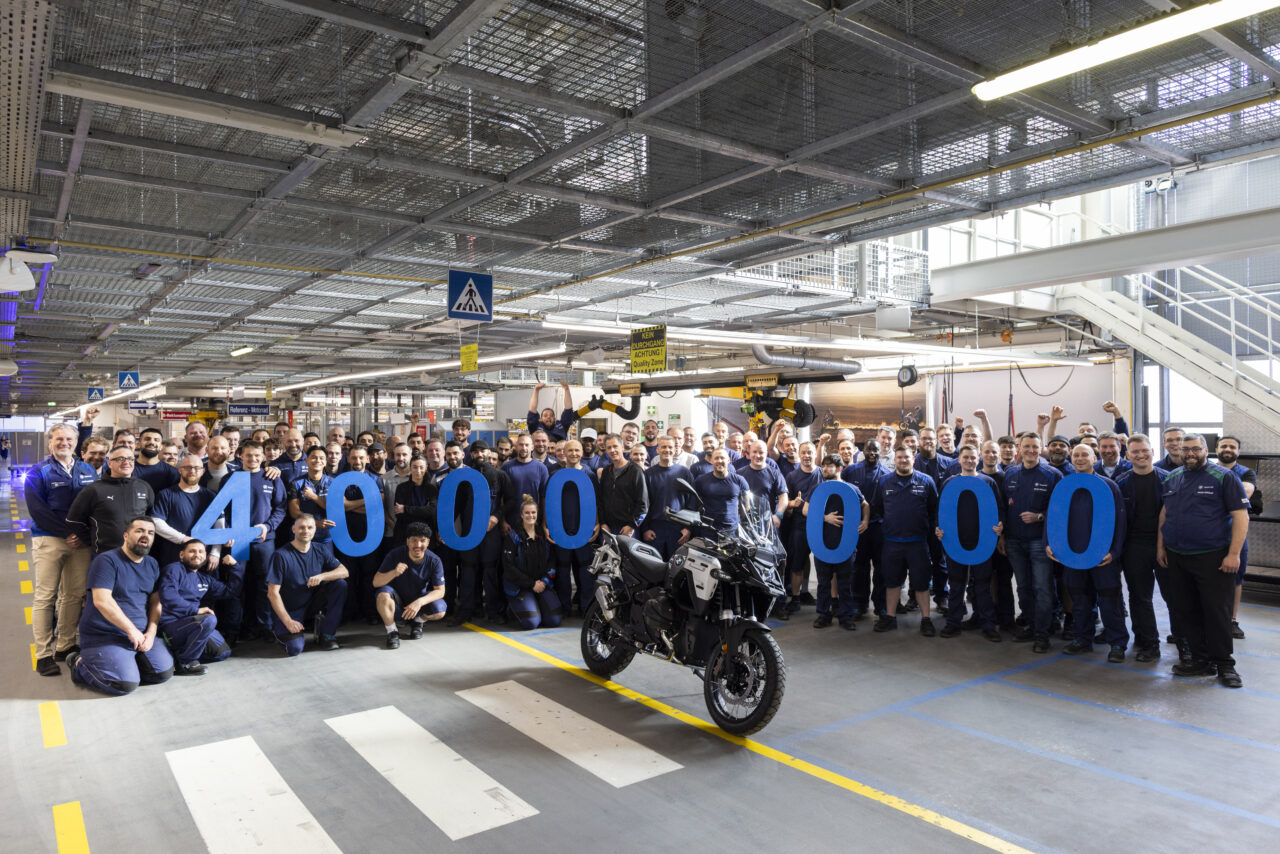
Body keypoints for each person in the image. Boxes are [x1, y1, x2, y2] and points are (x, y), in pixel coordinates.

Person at [1157, 433, 1249, 688]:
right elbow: (1165, 514)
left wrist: (1233, 554)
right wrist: (1160, 547)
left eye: (1195, 449)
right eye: (1185, 449)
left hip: (1213, 557)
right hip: (1177, 556)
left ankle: (1225, 665)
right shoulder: (1173, 478)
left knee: (1216, 612)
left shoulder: (1224, 477)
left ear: (1206, 450)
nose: (1190, 453)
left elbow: (1241, 516)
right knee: (1187, 610)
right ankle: (1200, 660)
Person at [66, 517, 174, 695]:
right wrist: (131, 630)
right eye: (139, 531)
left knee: (162, 673)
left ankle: (126, 664)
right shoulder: (106, 561)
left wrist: (151, 632)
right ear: (126, 535)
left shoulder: (152, 564)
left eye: (151, 533)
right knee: (123, 684)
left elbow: (156, 601)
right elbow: (102, 601)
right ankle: (79, 663)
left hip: (140, 635)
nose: (145, 535)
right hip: (105, 635)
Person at [27, 422, 99, 676]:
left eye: (69, 439)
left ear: (76, 443)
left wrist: (83, 536)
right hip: (49, 540)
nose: (64, 443)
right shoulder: (39, 471)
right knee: (45, 597)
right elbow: (38, 510)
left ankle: (65, 645)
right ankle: (43, 654)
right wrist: (67, 533)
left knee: (74, 595)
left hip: (80, 543)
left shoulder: (87, 469)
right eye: (58, 439)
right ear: (50, 442)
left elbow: (94, 506)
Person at [1048, 444, 1128, 662]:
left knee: (1109, 600)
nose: (1080, 458)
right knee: (1080, 600)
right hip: (1072, 554)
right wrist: (1049, 543)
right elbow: (1053, 517)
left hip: (1103, 557)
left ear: (1095, 458)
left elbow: (1120, 522)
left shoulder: (1109, 486)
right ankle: (1082, 639)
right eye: (1076, 455)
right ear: (1071, 458)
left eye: (1085, 455)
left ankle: (1117, 643)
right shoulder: (1063, 487)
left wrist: (1114, 552)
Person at [934, 444, 1003, 642]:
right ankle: (953, 622)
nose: (969, 461)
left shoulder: (988, 482)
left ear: (978, 459)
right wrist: (938, 528)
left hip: (983, 542)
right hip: (955, 541)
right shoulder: (949, 482)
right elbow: (941, 509)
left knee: (982, 585)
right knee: (956, 585)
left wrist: (1001, 526)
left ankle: (987, 624)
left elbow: (999, 509)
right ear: (959, 459)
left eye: (973, 457)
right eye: (966, 457)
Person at [1001, 432, 1063, 653]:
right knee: (1023, 587)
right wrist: (1002, 536)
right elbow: (1003, 507)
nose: (1030, 450)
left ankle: (1042, 634)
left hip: (1039, 541)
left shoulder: (1053, 475)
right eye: (1026, 446)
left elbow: (1060, 509)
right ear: (1019, 448)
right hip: (1014, 541)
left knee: (1042, 588)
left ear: (1041, 448)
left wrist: (1039, 516)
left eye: (1035, 447)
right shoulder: (1010, 474)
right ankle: (1030, 624)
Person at [1115, 434, 1170, 663]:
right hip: (1134, 547)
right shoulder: (1120, 483)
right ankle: (1148, 643)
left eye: (1144, 450)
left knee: (1175, 597)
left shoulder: (1169, 480)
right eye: (1135, 452)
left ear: (1152, 452)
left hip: (1166, 547)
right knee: (1140, 597)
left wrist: (1164, 546)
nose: (1140, 455)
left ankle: (1185, 642)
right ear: (1127, 455)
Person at [872, 447, 939, 634]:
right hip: (892, 542)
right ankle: (890, 618)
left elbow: (934, 509)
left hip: (918, 542)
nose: (903, 460)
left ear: (913, 459)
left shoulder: (926, 481)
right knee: (892, 582)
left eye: (907, 457)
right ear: (895, 460)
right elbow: (878, 508)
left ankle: (926, 620)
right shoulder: (884, 481)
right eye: (900, 457)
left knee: (922, 583)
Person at [265, 514, 349, 655]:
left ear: (315, 529)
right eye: (301, 527)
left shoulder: (320, 549)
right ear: (293, 529)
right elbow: (272, 594)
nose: (306, 531)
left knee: (340, 584)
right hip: (290, 610)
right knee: (294, 649)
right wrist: (288, 621)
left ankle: (327, 633)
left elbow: (344, 571)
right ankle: (280, 631)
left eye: (310, 527)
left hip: (312, 604)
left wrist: (322, 576)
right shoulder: (280, 555)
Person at [804, 454, 867, 631]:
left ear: (839, 468)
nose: (824, 469)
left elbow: (865, 505)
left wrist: (865, 521)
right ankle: (824, 615)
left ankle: (846, 617)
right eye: (823, 466)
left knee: (845, 583)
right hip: (822, 542)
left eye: (829, 466)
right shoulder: (817, 488)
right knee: (823, 582)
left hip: (845, 544)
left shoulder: (851, 489)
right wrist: (825, 517)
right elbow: (805, 510)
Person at [458, 441, 516, 625]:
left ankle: (493, 612)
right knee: (468, 571)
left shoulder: (500, 475)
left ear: (488, 452)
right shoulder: (464, 477)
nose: (479, 454)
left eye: (482, 450)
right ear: (471, 455)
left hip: (491, 532)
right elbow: (456, 505)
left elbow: (511, 500)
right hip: (469, 532)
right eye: (475, 452)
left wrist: (497, 517)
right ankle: (466, 611)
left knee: (490, 571)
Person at [157, 539, 234, 675]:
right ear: (182, 555)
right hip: (170, 627)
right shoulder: (173, 570)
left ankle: (178, 655)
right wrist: (196, 610)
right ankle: (185, 663)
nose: (197, 555)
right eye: (192, 551)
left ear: (205, 555)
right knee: (208, 619)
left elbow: (230, 591)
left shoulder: (203, 578)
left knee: (223, 653)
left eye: (200, 552)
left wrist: (234, 567)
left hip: (191, 625)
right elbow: (168, 597)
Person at [236, 440, 287, 639]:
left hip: (264, 540)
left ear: (263, 457)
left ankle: (265, 626)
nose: (253, 459)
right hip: (238, 541)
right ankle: (241, 627)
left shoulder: (271, 478)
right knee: (239, 583)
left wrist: (267, 526)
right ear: (240, 455)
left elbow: (280, 508)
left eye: (257, 455)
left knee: (265, 584)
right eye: (248, 455)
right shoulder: (231, 479)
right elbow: (223, 510)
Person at [545, 438, 599, 617]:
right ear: (563, 453)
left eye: (577, 450)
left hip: (584, 530)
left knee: (585, 571)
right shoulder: (554, 475)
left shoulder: (590, 475)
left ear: (582, 452)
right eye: (570, 450)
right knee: (562, 571)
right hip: (560, 529)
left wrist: (597, 523)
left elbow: (596, 502)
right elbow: (547, 501)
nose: (574, 454)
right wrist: (545, 525)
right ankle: (564, 608)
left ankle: (586, 608)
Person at [66, 447, 155, 554]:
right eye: (120, 459)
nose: (126, 462)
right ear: (109, 463)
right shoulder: (94, 489)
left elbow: (149, 517)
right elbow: (73, 520)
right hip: (104, 554)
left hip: (137, 553)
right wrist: (92, 541)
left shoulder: (144, 487)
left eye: (130, 459)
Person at [372, 522, 446, 647]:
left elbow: (440, 591)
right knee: (382, 595)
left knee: (440, 610)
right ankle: (392, 632)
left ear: (428, 542)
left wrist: (419, 602)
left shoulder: (434, 560)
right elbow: (376, 582)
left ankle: (417, 622)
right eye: (414, 540)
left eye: (422, 540)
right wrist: (394, 573)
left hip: (417, 602)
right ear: (407, 541)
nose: (418, 545)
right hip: (397, 603)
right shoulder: (395, 554)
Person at [1215, 435, 1258, 640]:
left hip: (1236, 535)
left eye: (1232, 447)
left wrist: (1213, 496)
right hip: (1210, 535)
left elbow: (1245, 493)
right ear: (1216, 449)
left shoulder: (1247, 472)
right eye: (1224, 446)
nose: (1228, 449)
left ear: (1238, 452)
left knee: (1236, 578)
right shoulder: (1208, 470)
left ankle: (1232, 620)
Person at [502, 495, 563, 630]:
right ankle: (513, 608)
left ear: (537, 514)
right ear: (521, 515)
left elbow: (551, 561)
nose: (531, 515)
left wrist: (544, 582)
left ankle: (536, 604)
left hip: (541, 584)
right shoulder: (513, 536)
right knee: (531, 622)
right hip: (520, 586)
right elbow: (509, 567)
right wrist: (531, 584)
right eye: (527, 513)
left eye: (533, 512)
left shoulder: (543, 535)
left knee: (554, 619)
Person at [844, 439, 889, 622]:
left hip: (879, 527)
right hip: (858, 527)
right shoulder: (850, 471)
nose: (872, 453)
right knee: (859, 567)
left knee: (881, 568)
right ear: (863, 450)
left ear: (881, 451)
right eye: (869, 449)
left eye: (875, 450)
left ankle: (881, 605)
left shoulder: (887, 474)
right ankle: (859, 604)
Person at [151, 456, 218, 569]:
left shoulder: (210, 496)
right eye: (187, 467)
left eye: (197, 468)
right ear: (180, 470)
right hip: (173, 557)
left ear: (203, 471)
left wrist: (216, 552)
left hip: (203, 559)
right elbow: (156, 522)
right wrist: (183, 538)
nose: (192, 471)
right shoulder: (166, 494)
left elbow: (219, 525)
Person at [288, 446, 338, 551]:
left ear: (325, 462)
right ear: (307, 461)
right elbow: (294, 511)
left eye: (321, 458)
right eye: (314, 457)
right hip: (302, 536)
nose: (317, 460)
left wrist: (313, 496)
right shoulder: (296, 483)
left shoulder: (333, 483)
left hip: (325, 538)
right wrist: (315, 523)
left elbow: (334, 509)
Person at [598, 434, 648, 536]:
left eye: (615, 446)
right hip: (608, 529)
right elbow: (601, 500)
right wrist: (603, 523)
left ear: (622, 447)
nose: (612, 450)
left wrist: (632, 525)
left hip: (628, 529)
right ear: (606, 451)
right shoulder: (606, 471)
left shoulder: (636, 471)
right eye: (609, 448)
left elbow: (643, 504)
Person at [694, 448, 750, 532]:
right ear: (711, 461)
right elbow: (695, 505)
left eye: (722, 458)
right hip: (708, 530)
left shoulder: (739, 480)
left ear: (728, 460)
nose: (719, 461)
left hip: (732, 530)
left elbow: (746, 507)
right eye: (716, 458)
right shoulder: (701, 481)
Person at [501, 434, 548, 529]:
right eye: (521, 445)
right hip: (511, 522)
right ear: (516, 447)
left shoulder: (541, 468)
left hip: (534, 522)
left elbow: (544, 498)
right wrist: (503, 521)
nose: (524, 448)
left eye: (527, 445)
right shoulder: (506, 467)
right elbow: (501, 496)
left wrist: (544, 523)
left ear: (532, 447)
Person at [134, 428, 180, 493]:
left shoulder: (172, 472)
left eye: (156, 440)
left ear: (161, 446)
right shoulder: (128, 468)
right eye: (147, 439)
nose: (151, 442)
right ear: (138, 444)